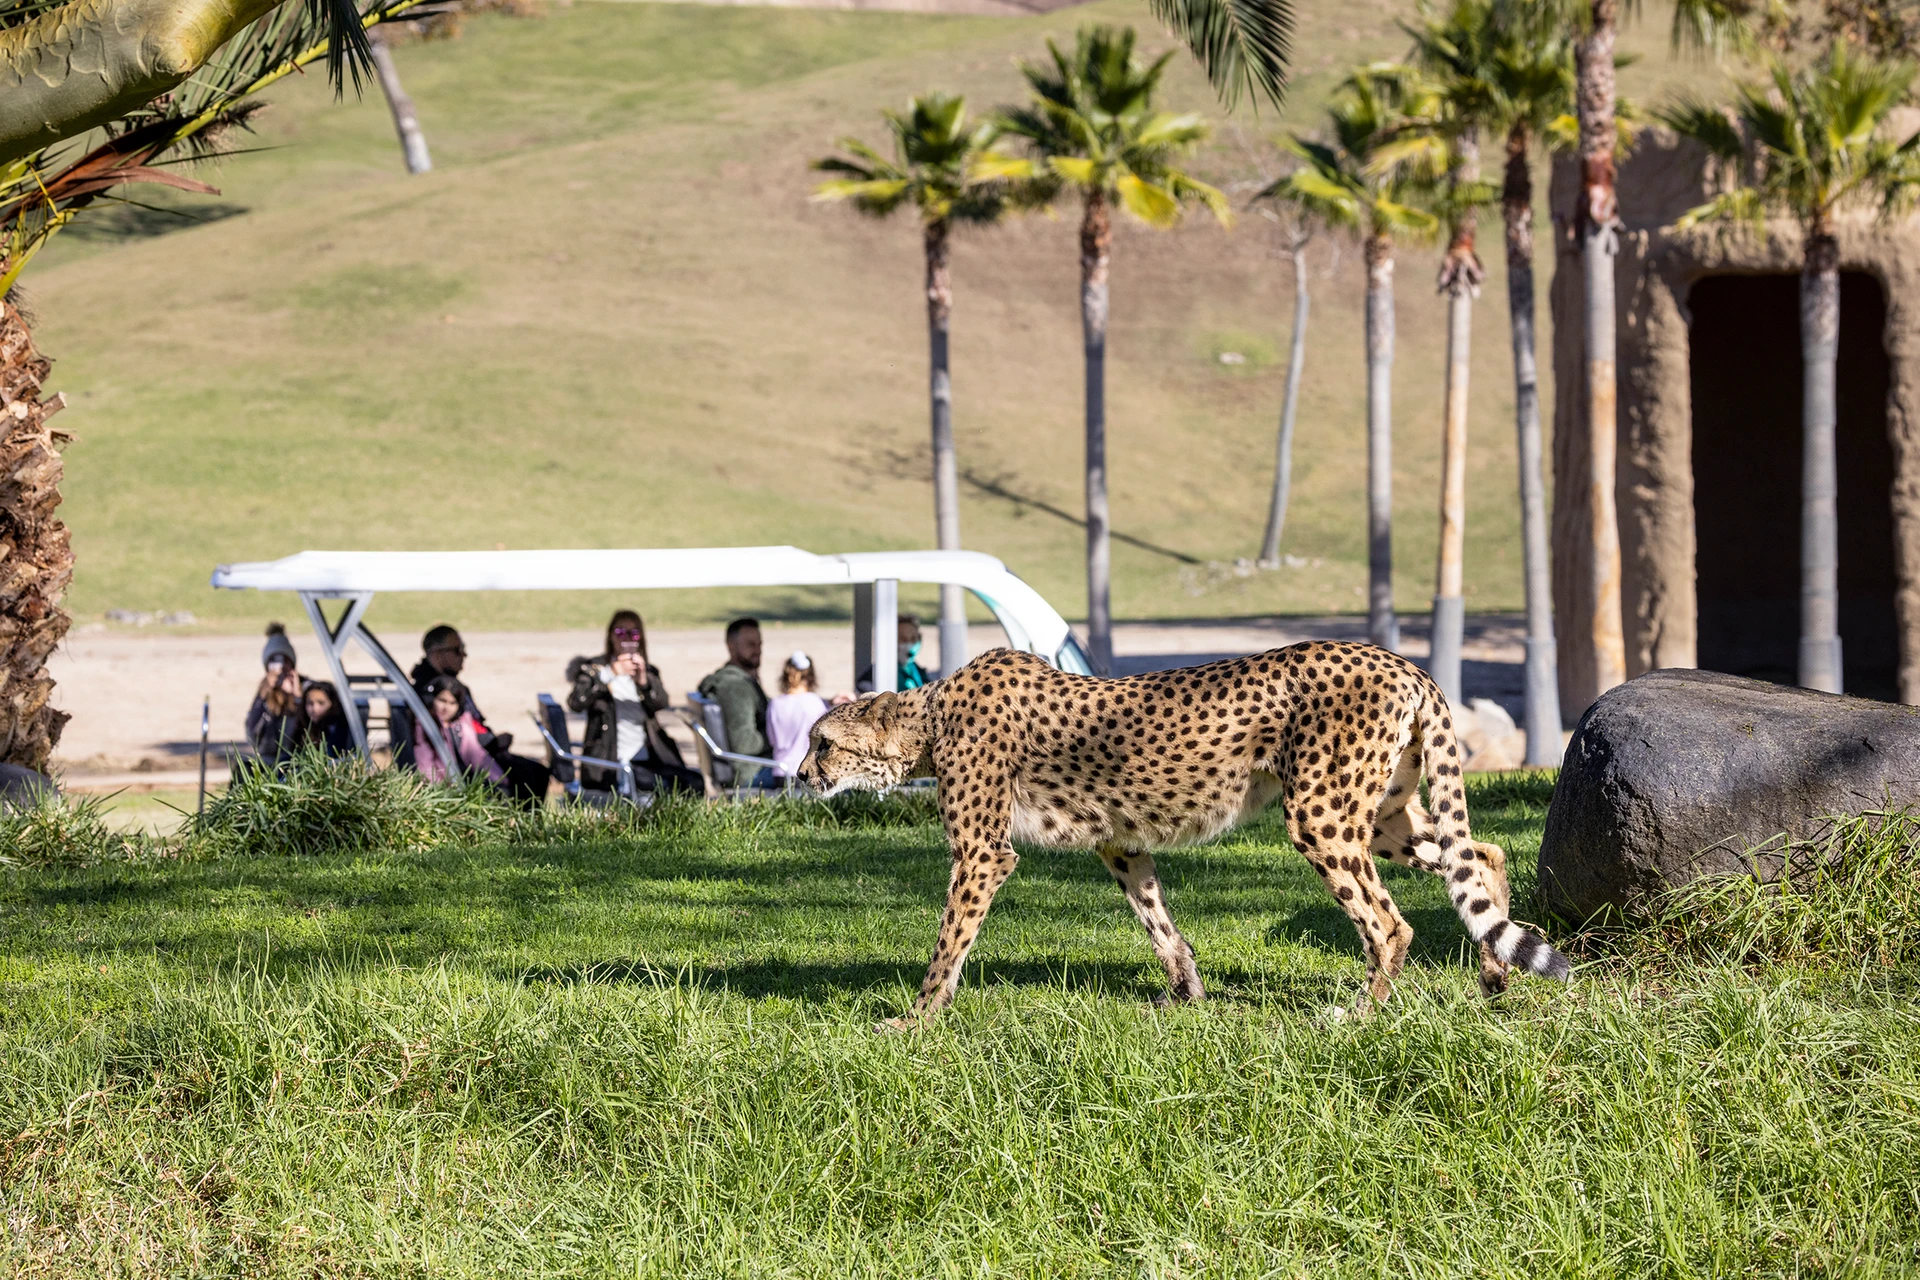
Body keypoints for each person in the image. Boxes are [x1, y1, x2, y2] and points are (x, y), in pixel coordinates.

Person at [564, 609, 703, 797]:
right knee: (660, 785)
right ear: (611, 636)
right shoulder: (594, 669)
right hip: (609, 760)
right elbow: (576, 702)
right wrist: (610, 674)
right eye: (621, 632)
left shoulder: (648, 670)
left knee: (694, 782)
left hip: (648, 758)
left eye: (634, 633)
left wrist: (644, 682)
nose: (627, 638)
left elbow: (661, 703)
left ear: (641, 638)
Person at [409, 623, 550, 802]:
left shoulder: (449, 685)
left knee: (535, 772)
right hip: (459, 766)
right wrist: (493, 743)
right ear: (437, 653)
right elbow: (459, 737)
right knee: (530, 776)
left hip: (475, 755)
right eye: (457, 650)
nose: (464, 655)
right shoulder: (432, 692)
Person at [697, 616, 776, 787]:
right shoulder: (735, 687)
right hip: (751, 773)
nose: (757, 650)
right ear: (731, 646)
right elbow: (744, 743)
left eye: (759, 644)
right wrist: (781, 733)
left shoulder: (734, 680)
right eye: (750, 645)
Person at [412, 674, 508, 788]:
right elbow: (425, 761)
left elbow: (477, 754)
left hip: (464, 782)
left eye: (452, 703)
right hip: (443, 787)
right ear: (431, 699)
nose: (446, 708)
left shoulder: (462, 724)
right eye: (442, 700)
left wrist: (498, 780)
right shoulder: (425, 725)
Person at [246, 622, 306, 770]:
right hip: (268, 759)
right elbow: (251, 732)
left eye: (285, 661)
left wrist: (298, 697)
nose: (281, 667)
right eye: (274, 661)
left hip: (297, 760)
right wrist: (264, 697)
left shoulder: (305, 686)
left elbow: (311, 729)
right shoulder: (265, 690)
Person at [767, 650, 830, 780]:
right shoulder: (815, 702)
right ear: (811, 677)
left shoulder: (775, 704)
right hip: (806, 771)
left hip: (780, 773)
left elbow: (772, 740)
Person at [857, 614, 933, 693]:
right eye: (903, 639)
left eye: (913, 639)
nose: (909, 644)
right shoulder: (876, 673)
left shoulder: (917, 671)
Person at [301, 681, 356, 758]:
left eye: (321, 703)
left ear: (333, 703)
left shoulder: (341, 728)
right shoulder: (303, 727)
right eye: (310, 703)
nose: (315, 709)